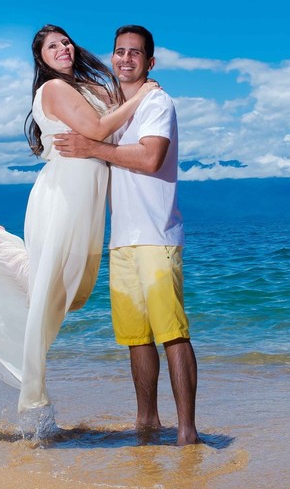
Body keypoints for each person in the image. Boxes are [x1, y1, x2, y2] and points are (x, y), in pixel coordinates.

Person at [0, 24, 157, 417]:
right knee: (48, 287)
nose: (63, 48)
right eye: (53, 46)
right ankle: (32, 397)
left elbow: (115, 100)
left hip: (86, 194)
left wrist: (136, 85)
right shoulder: (52, 89)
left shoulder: (82, 87)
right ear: (42, 58)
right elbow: (98, 128)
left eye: (66, 42)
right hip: (65, 192)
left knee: (68, 289)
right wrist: (144, 95)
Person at [54, 25, 199, 446]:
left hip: (156, 234)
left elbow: (151, 158)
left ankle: (187, 432)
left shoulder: (157, 102)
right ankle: (147, 423)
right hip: (121, 239)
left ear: (149, 62)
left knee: (172, 333)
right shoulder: (112, 108)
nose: (126, 58)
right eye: (119, 51)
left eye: (135, 52)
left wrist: (92, 149)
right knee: (136, 339)